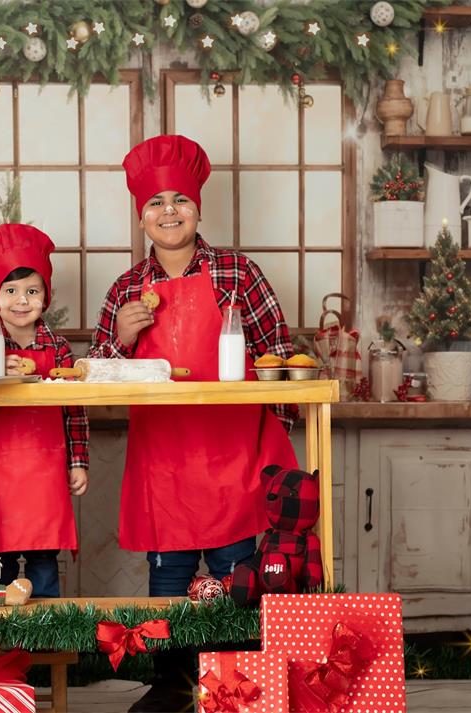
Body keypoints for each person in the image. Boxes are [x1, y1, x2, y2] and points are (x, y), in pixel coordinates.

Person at [88, 134, 300, 711]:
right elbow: (97, 379)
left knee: (240, 582)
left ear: (198, 207)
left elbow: (277, 353)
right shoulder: (126, 289)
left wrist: (279, 451)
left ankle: (239, 693)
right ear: (141, 217)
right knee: (168, 593)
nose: (169, 212)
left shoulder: (238, 272)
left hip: (234, 459)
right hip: (165, 465)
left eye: (179, 199)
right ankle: (171, 695)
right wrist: (123, 339)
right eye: (156, 203)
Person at [0, 223, 89, 598]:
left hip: (46, 476)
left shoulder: (60, 348)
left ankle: (49, 647)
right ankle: (5, 651)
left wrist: (78, 461)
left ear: (45, 296)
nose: (21, 300)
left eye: (32, 291)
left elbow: (75, 408)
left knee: (44, 564)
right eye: (11, 291)